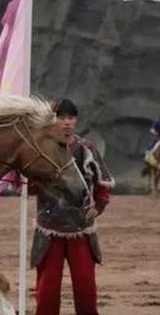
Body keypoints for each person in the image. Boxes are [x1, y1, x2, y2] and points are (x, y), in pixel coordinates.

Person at [30, 98, 114, 315]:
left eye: (70, 117)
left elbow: (103, 182)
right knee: (47, 290)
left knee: (85, 285)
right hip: (48, 227)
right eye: (61, 117)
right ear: (54, 120)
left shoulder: (87, 148)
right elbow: (29, 185)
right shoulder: (40, 149)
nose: (66, 122)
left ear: (75, 120)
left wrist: (99, 206)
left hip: (81, 227)